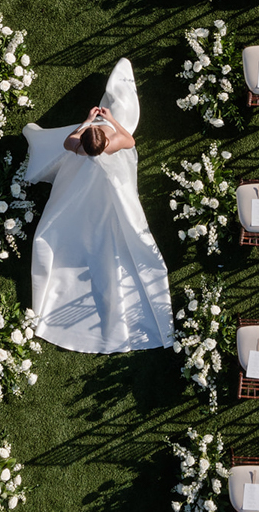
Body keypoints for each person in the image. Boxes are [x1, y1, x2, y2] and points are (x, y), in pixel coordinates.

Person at [22, 58, 175, 354]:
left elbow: (70, 139)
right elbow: (129, 139)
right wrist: (111, 121)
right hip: (112, 182)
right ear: (104, 141)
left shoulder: (76, 147)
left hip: (84, 179)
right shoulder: (115, 143)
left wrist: (88, 121)